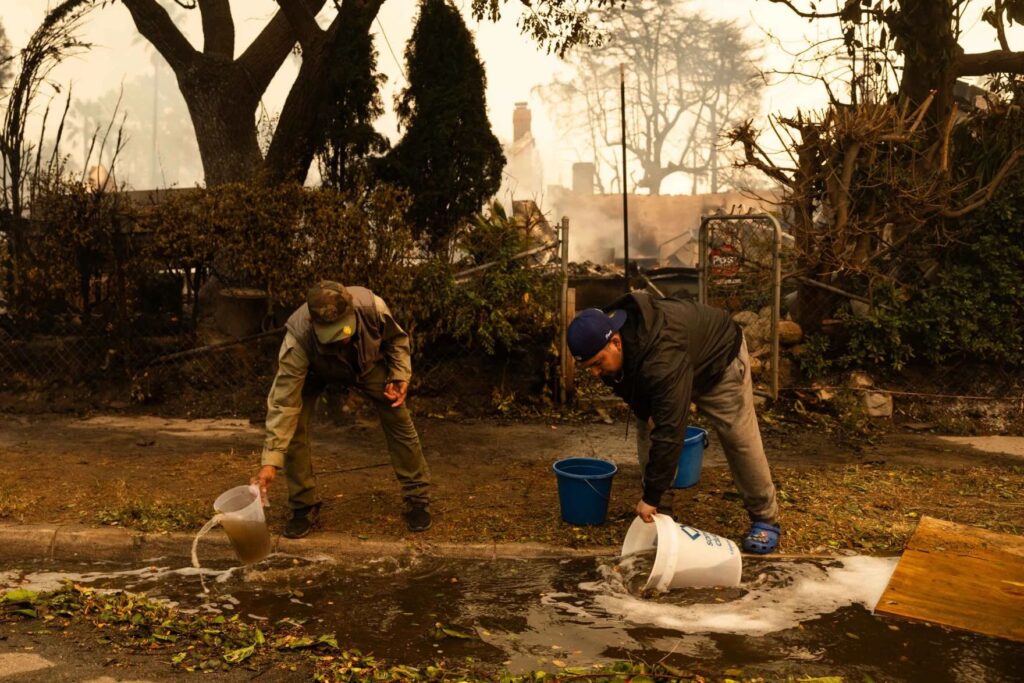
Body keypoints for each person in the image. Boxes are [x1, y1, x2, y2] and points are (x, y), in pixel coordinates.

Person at [566, 291, 780, 553]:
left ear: (616, 343)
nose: (596, 372)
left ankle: (765, 518)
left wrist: (652, 496)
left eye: (598, 363)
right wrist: (657, 500)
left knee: (739, 438)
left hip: (718, 361)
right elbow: (645, 409)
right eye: (590, 368)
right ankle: (659, 514)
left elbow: (670, 431)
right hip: (680, 361)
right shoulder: (615, 352)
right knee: (648, 429)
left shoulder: (660, 358)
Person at [253, 281, 431, 537]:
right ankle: (303, 505)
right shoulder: (299, 337)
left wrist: (399, 375)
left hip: (366, 364)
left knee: (398, 417)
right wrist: (270, 462)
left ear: (352, 314)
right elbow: (284, 402)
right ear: (314, 325)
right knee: (293, 428)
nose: (341, 338)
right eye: (331, 332)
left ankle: (417, 498)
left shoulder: (373, 308)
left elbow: (396, 342)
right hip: (315, 370)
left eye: (343, 330)